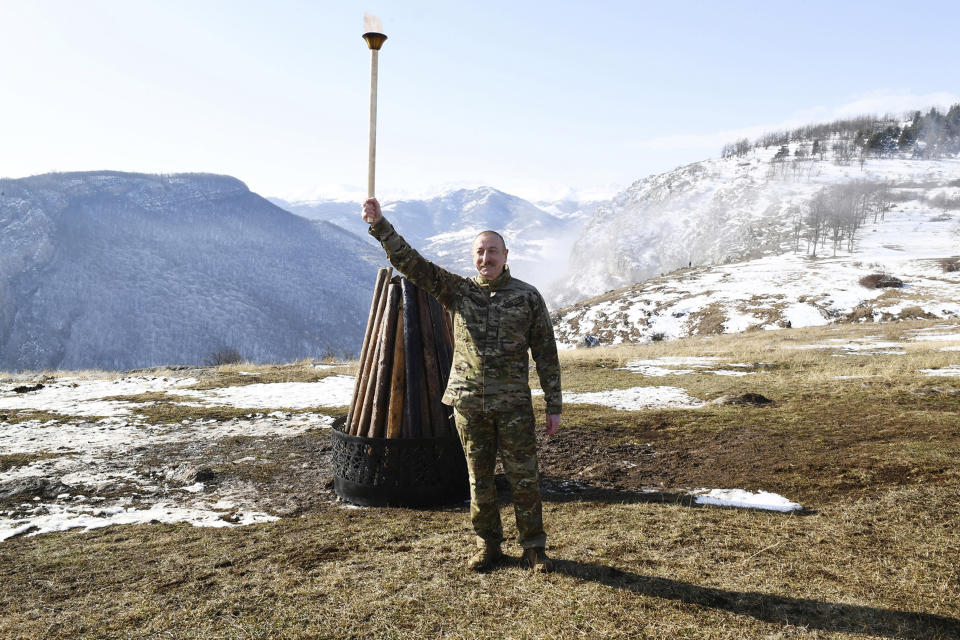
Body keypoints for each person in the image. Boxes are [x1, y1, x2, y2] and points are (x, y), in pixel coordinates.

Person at [362, 197, 562, 572]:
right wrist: (380, 226)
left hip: (513, 406)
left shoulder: (527, 297)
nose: (486, 258)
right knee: (479, 480)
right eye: (480, 252)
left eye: (492, 252)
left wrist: (554, 406)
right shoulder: (458, 291)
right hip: (468, 404)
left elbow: (546, 354)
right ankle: (488, 546)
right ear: (474, 257)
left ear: (505, 254)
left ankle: (534, 548)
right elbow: (412, 263)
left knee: (524, 478)